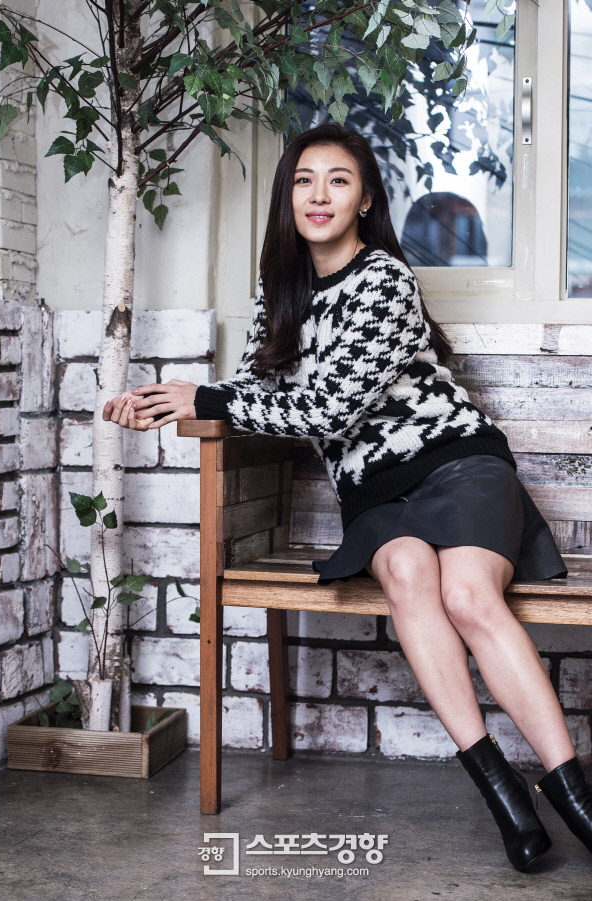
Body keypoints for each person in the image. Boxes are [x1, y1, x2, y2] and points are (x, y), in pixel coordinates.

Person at [103, 123, 592, 869]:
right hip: (375, 496)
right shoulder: (280, 293)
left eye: (338, 180)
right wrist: (161, 403)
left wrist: (206, 396)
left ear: (365, 199)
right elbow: (256, 393)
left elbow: (328, 408)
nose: (319, 195)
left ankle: (573, 795)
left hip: (457, 466)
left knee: (467, 596)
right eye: (304, 180)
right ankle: (502, 789)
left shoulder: (385, 280)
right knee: (406, 572)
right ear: (288, 197)